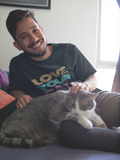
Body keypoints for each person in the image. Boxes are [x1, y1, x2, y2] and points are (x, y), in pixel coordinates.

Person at [6, 9, 120, 153]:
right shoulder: (17, 64)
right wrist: (20, 96)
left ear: (41, 30)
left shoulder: (69, 50)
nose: (34, 39)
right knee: (69, 133)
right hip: (63, 113)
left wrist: (85, 85)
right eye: (24, 36)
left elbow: (94, 78)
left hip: (89, 99)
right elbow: (15, 89)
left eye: (35, 30)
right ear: (17, 45)